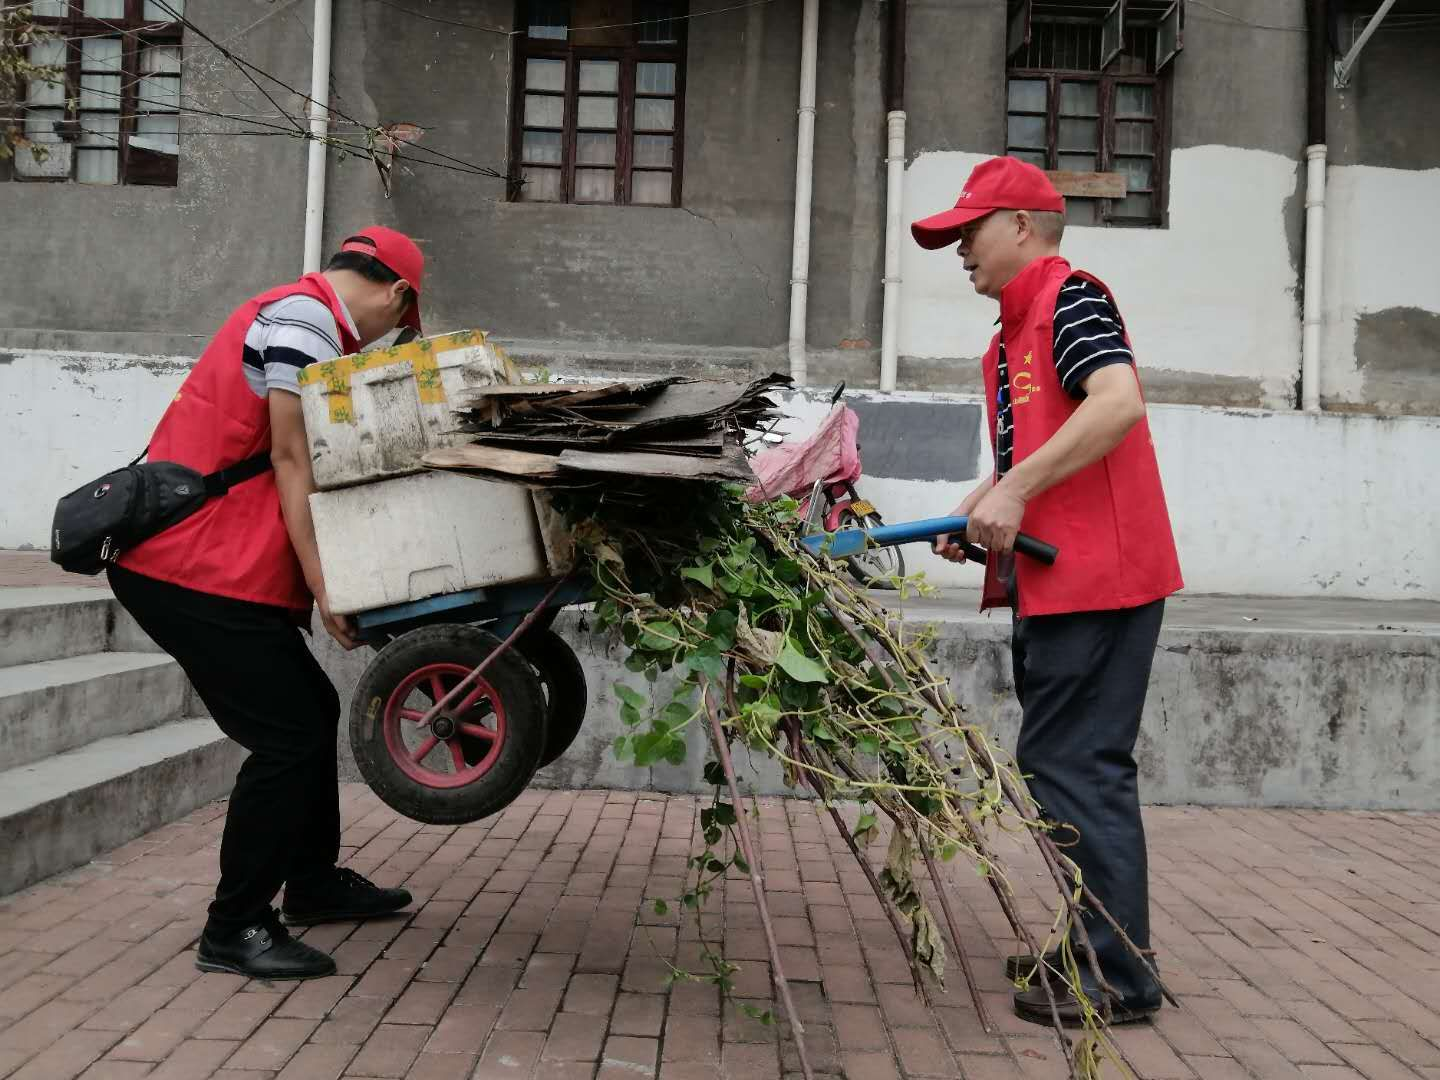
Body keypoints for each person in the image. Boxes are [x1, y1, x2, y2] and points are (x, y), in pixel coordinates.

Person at [108, 227, 428, 980]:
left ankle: (310, 882)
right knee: (288, 736)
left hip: (211, 564)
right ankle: (235, 927)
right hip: (186, 565)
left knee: (309, 714)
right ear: (397, 292)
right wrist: (327, 585)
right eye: (402, 325)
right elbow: (291, 456)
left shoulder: (305, 318)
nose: (391, 337)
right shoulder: (304, 322)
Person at [911, 158, 1183, 1026]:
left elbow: (1119, 402)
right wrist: (979, 505)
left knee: (1076, 768)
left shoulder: (1071, 298)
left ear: (1023, 225)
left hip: (1101, 580)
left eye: (969, 231)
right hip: (1057, 581)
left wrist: (1015, 491)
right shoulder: (1011, 334)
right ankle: (1095, 941)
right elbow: (1037, 453)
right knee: (1066, 765)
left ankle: (1118, 974)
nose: (959, 250)